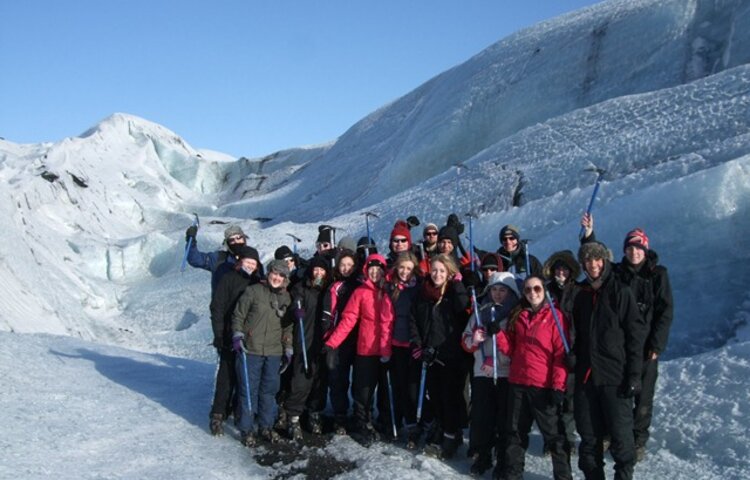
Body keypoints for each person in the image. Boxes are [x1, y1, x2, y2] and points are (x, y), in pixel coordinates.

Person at [582, 215, 674, 462]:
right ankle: (614, 433)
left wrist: (657, 343)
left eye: (638, 247)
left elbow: (665, 311)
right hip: (620, 347)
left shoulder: (657, 275)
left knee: (643, 396)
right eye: (630, 248)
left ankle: (637, 439)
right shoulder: (619, 273)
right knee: (619, 392)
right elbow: (596, 262)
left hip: (646, 347)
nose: (634, 252)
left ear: (646, 249)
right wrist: (590, 235)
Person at [570, 241, 645, 480]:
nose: (593, 264)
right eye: (588, 260)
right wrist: (573, 355)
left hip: (615, 376)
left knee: (621, 440)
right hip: (586, 377)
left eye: (597, 259)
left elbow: (635, 335)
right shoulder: (581, 295)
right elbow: (577, 334)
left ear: (605, 261)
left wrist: (634, 374)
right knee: (589, 439)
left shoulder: (619, 291)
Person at [493, 276, 572, 480]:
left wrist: (558, 386)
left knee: (554, 436)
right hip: (518, 382)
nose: (533, 293)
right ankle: (513, 475)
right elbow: (512, 349)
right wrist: (499, 335)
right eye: (528, 290)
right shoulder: (519, 315)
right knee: (515, 434)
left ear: (544, 290)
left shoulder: (555, 316)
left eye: (537, 288)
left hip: (542, 385)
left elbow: (560, 354)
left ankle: (563, 477)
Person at [324, 254, 394, 445]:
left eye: (378, 268)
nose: (374, 272)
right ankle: (362, 422)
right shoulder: (360, 292)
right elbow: (348, 320)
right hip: (367, 349)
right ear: (365, 270)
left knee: (386, 391)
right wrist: (332, 342)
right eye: (371, 268)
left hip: (388, 348)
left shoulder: (391, 290)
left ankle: (386, 422)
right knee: (363, 390)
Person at [410, 254, 470, 459]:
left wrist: (459, 285)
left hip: (451, 355)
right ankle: (443, 430)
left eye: (442, 271)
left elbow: (463, 311)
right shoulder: (423, 293)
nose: (437, 274)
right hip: (430, 354)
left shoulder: (453, 292)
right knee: (435, 397)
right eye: (434, 270)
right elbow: (413, 319)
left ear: (450, 273)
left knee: (450, 398)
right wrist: (419, 344)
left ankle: (450, 437)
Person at [461, 271, 519, 476]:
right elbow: (466, 341)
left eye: (503, 290)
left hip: (505, 373)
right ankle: (482, 455)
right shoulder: (480, 311)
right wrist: (474, 340)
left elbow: (517, 347)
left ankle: (503, 458)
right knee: (481, 417)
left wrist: (500, 335)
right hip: (482, 373)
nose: (497, 294)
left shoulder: (516, 314)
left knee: (504, 419)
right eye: (494, 289)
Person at [231, 260, 293, 447]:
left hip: (274, 352)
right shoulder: (254, 291)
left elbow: (288, 327)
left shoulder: (286, 299)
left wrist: (288, 347)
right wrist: (237, 335)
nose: (277, 277)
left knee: (269, 391)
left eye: (281, 275)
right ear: (269, 273)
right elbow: (238, 315)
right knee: (248, 390)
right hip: (251, 349)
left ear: (285, 279)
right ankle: (247, 429)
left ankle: (266, 426)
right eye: (274, 273)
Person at [207, 245, 262, 436]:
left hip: (251, 338)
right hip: (229, 335)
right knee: (226, 377)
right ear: (240, 262)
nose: (250, 266)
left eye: (253, 264)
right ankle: (218, 414)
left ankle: (241, 413)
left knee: (244, 379)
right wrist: (219, 333)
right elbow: (217, 307)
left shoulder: (257, 282)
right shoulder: (228, 278)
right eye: (247, 262)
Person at [280, 255, 331, 440]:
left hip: (323, 341)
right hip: (304, 339)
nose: (318, 273)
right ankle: (293, 416)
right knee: (301, 380)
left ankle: (314, 412)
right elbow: (294, 303)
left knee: (320, 381)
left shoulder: (328, 290)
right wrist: (296, 310)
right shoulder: (302, 287)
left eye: (322, 270)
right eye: (316, 270)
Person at [379, 251, 422, 441]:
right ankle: (394, 422)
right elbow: (386, 320)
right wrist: (385, 348)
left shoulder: (419, 289)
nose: (405, 272)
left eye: (409, 268)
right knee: (397, 386)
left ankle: (412, 424)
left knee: (411, 389)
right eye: (402, 267)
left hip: (413, 345)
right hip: (396, 343)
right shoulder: (391, 288)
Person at [543, 249, 581, 454]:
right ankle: (552, 440)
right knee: (551, 399)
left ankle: (569, 438)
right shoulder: (546, 291)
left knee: (569, 400)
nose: (561, 272)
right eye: (558, 268)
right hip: (549, 349)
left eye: (565, 269)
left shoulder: (577, 291)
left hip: (571, 349)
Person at [322, 248, 362, 434]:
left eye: (349, 265)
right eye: (342, 265)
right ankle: (340, 414)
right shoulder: (335, 286)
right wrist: (329, 336)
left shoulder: (361, 284)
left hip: (359, 338)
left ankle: (359, 412)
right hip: (339, 337)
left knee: (360, 380)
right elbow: (330, 314)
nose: (346, 268)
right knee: (338, 379)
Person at [185, 224, 255, 295]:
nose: (236, 242)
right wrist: (191, 240)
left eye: (239, 238)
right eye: (231, 240)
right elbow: (195, 259)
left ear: (244, 239)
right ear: (227, 244)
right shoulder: (219, 259)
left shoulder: (253, 258)